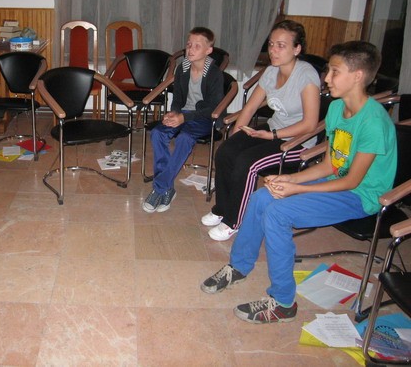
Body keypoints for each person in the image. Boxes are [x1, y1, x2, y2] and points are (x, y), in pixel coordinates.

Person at [200, 40, 397, 324]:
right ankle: (239, 266)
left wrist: (297, 188)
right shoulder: (337, 109)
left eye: (335, 72)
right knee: (261, 197)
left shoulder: (373, 122)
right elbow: (330, 165)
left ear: (357, 76)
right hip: (337, 181)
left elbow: (352, 181)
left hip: (361, 196)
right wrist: (289, 178)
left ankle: (283, 303)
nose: (326, 78)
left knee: (278, 213)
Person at [201, 20, 321, 240]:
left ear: (297, 49)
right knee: (225, 151)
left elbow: (310, 124)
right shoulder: (271, 71)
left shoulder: (306, 75)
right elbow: (250, 108)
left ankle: (235, 221)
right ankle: (222, 209)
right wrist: (235, 137)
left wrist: (272, 135)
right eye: (271, 44)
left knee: (247, 162)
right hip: (274, 130)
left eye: (281, 45)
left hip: (299, 142)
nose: (273, 50)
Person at [142, 27, 224, 213]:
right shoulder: (183, 68)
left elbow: (212, 108)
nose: (191, 49)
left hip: (205, 118)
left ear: (208, 50)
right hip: (183, 114)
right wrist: (173, 113)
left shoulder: (214, 74)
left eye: (197, 46)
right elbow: (178, 99)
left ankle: (160, 188)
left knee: (184, 138)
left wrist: (184, 117)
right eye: (189, 44)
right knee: (157, 133)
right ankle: (168, 189)